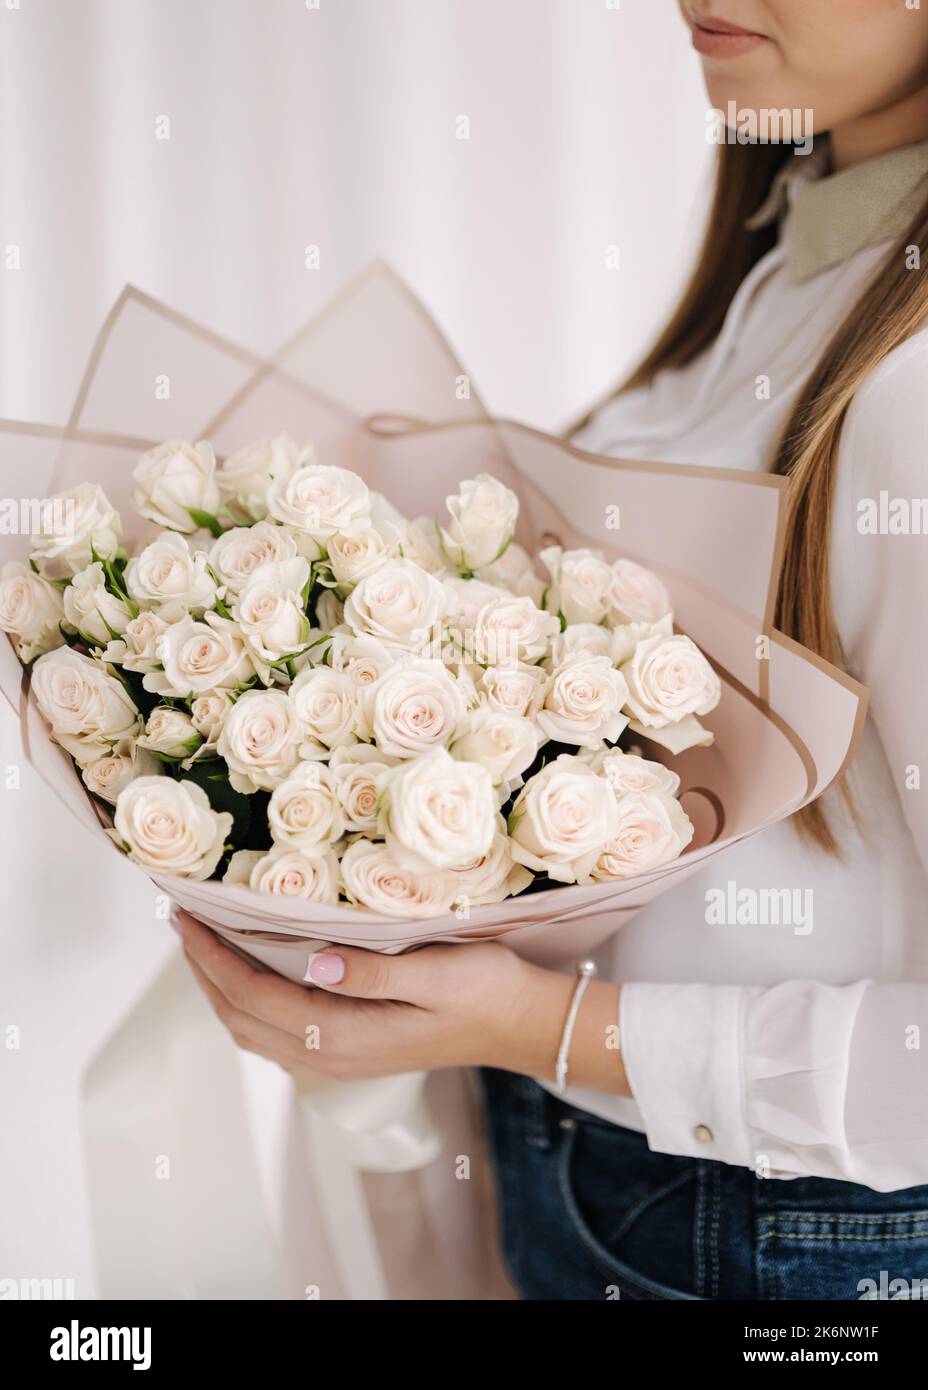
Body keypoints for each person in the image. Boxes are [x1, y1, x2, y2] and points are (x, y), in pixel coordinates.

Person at [177, 0, 928, 1300]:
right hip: (604, 1177)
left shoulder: (909, 390)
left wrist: (545, 1024)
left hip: (774, 1237)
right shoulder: (783, 285)